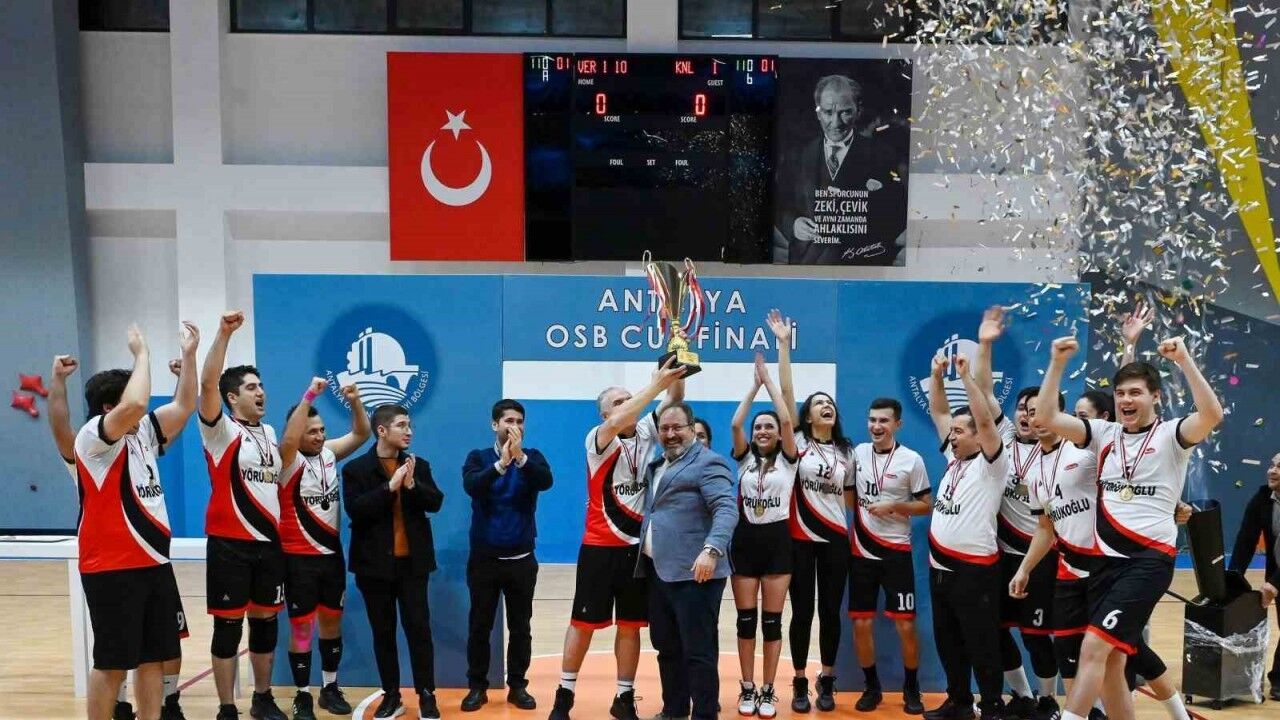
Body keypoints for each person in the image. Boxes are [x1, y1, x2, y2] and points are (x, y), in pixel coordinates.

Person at [1036, 335, 1223, 720]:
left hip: (1148, 562)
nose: (1125, 399)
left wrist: (1184, 360)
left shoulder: (1172, 436)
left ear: (1156, 396)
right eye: (1120, 393)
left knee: (1093, 648)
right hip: (1104, 564)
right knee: (1112, 666)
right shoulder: (1103, 434)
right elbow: (1048, 418)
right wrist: (1056, 363)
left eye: (1135, 392)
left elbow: (1211, 415)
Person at [49, 352, 194, 720]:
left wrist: (190, 357)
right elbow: (131, 406)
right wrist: (142, 352)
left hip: (154, 564)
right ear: (109, 408)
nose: (141, 407)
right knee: (112, 663)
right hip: (112, 568)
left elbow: (184, 406)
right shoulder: (92, 440)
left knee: (152, 659)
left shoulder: (142, 433)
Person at [547, 360, 686, 720]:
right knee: (583, 624)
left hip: (636, 551)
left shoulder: (645, 432)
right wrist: (655, 386)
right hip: (599, 547)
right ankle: (564, 695)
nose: (626, 405)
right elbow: (621, 418)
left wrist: (676, 371)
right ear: (605, 413)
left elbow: (673, 400)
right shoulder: (598, 439)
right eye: (618, 402)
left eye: (629, 399)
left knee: (630, 625)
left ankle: (624, 698)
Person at [971, 307, 1061, 720]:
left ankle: (1047, 699)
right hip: (1001, 556)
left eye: (1035, 408)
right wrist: (985, 343)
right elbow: (983, 390)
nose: (1026, 414)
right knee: (996, 630)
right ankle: (1022, 696)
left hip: (1041, 557)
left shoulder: (1061, 451)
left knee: (1037, 635)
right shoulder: (1004, 435)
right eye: (1022, 407)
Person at [198, 311, 288, 720]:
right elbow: (207, 385)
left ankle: (262, 698)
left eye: (261, 386)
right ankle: (226, 707)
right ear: (232, 397)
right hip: (229, 545)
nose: (261, 392)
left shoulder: (268, 433)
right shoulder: (220, 431)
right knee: (228, 628)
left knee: (266, 622)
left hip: (268, 545)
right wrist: (223, 335)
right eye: (251, 387)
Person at [772, 308, 855, 712]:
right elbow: (787, 394)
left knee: (831, 612)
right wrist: (784, 346)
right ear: (807, 415)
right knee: (803, 611)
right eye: (819, 403)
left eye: (830, 403)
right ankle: (801, 680)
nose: (826, 406)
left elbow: (852, 500)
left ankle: (828, 679)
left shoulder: (847, 451)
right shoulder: (798, 442)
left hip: (836, 540)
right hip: (800, 540)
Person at [923, 348, 1011, 720]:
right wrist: (937, 376)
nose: (952, 436)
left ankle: (991, 706)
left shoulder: (992, 464)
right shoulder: (953, 459)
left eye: (960, 432)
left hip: (975, 572)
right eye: (953, 432)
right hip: (939, 568)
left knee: (982, 643)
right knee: (948, 641)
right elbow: (939, 411)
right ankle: (959, 702)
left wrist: (966, 379)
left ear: (979, 436)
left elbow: (987, 422)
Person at [342, 405, 445, 720]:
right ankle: (391, 695)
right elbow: (356, 509)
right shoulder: (356, 469)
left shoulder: (418, 465)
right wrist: (389, 487)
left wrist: (412, 485)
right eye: (401, 425)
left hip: (413, 566)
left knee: (419, 631)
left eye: (410, 425)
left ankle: (427, 694)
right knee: (383, 633)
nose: (409, 431)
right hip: (374, 568)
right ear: (382, 431)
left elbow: (436, 502)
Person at [637, 401, 738, 720]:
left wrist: (712, 549)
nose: (670, 434)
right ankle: (675, 708)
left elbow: (726, 509)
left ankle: (705, 714)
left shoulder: (709, 462)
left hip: (696, 574)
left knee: (698, 652)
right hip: (659, 571)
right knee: (666, 647)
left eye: (677, 427)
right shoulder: (657, 465)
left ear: (692, 429)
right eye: (664, 428)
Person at [276, 378, 370, 720]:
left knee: (332, 623)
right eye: (311, 431)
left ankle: (330, 688)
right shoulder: (285, 460)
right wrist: (310, 395)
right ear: (296, 432)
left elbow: (361, 433)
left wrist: (355, 401)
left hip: (331, 558)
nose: (318, 436)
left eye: (321, 430)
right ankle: (303, 694)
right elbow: (289, 440)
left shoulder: (329, 453)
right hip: (298, 559)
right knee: (302, 628)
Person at [461, 399, 554, 712]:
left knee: (521, 628)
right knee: (480, 626)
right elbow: (473, 486)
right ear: (495, 425)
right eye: (508, 420)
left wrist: (520, 459)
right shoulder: (478, 457)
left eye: (519, 421)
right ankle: (477, 687)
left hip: (522, 560)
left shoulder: (533, 458)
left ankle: (517, 686)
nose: (515, 426)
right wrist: (501, 464)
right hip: (484, 561)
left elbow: (546, 481)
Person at [848, 397, 931, 715]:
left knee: (906, 626)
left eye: (883, 420)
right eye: (872, 420)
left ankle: (911, 687)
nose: (876, 426)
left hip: (897, 553)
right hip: (861, 552)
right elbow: (848, 495)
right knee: (861, 624)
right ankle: (872, 687)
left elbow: (926, 505)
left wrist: (894, 506)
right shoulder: (857, 453)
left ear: (898, 424)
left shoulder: (912, 460)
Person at [728, 354, 799, 718]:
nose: (763, 431)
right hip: (744, 544)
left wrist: (770, 382)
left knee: (772, 623)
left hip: (777, 545)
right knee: (745, 621)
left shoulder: (788, 460)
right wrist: (753, 387)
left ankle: (769, 690)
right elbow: (736, 423)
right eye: (759, 428)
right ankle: (747, 686)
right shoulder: (744, 460)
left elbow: (787, 419)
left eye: (768, 427)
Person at [776, 74, 908, 265]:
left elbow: (899, 212)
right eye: (828, 112)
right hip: (805, 266)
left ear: (858, 111)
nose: (835, 123)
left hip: (861, 265)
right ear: (818, 112)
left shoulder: (883, 155)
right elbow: (780, 205)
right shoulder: (796, 156)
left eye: (845, 112)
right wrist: (793, 225)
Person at [1227, 451, 1280, 700]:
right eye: (1272, 465)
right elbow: (1246, 540)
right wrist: (1233, 576)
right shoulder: (1262, 498)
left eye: (1279, 467)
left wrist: (1274, 584)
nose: (1272, 470)